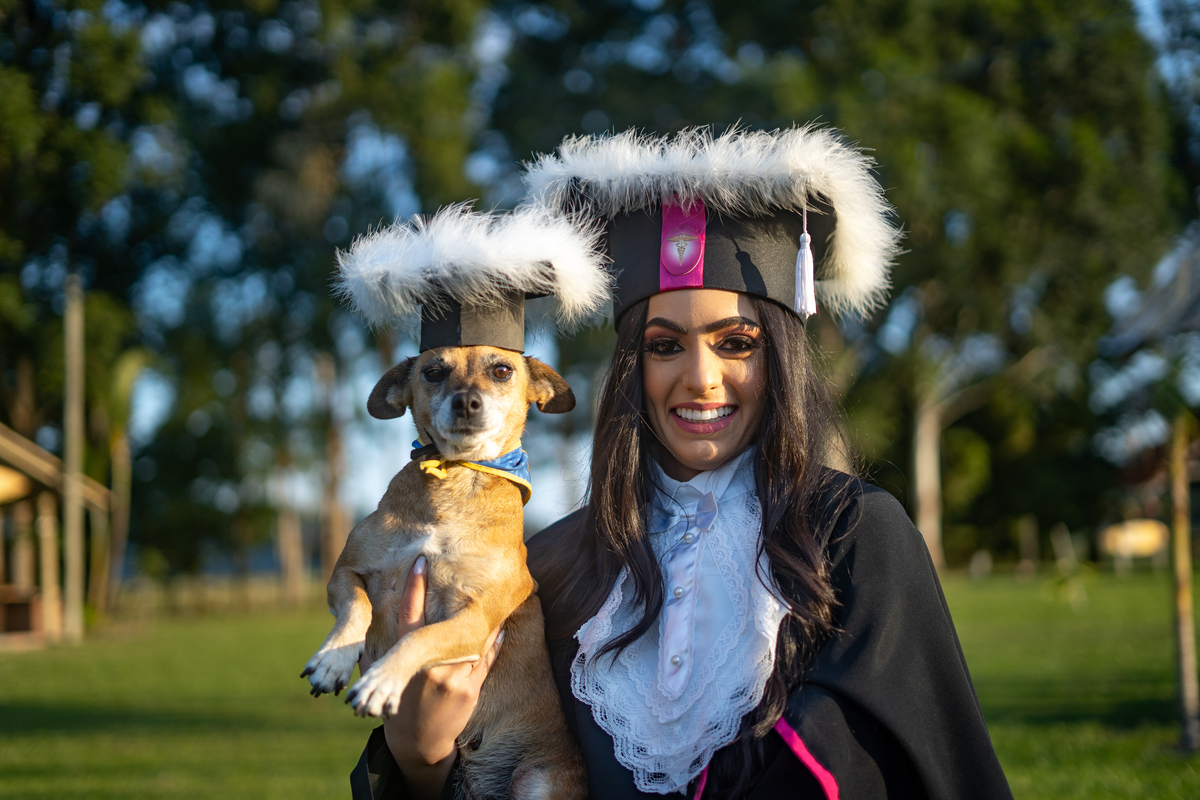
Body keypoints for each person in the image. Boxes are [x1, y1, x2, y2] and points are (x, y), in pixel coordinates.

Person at [352, 126, 1013, 799]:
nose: (700, 377)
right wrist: (419, 757)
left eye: (735, 343)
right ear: (630, 370)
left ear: (780, 356)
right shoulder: (550, 564)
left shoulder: (855, 534)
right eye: (664, 347)